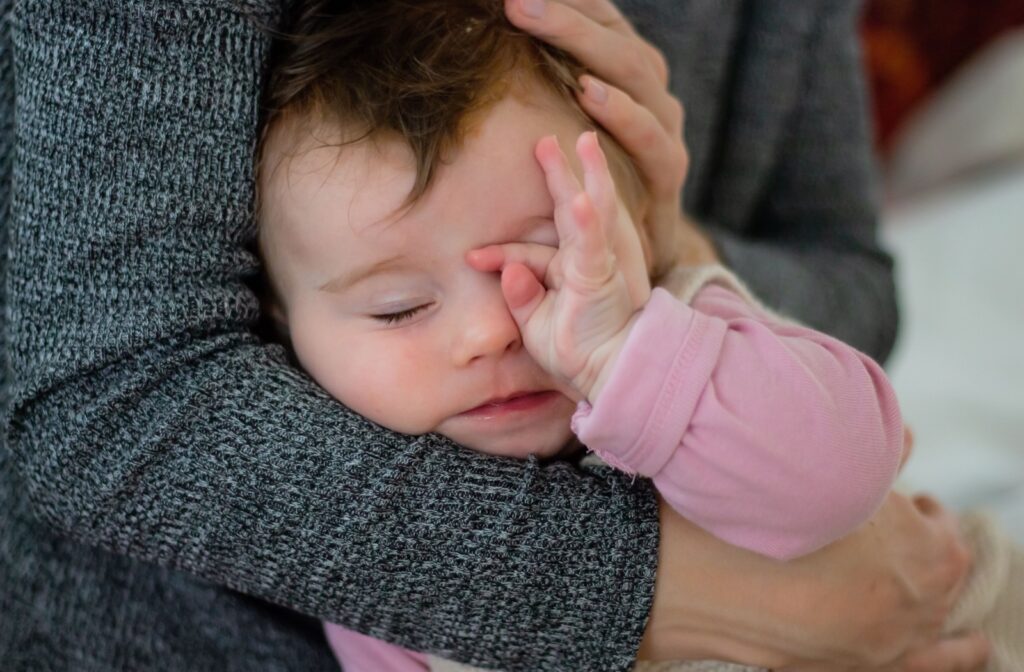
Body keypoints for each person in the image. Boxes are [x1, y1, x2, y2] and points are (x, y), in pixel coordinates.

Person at [0, 0, 990, 670]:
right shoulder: (338, 543)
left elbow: (848, 340)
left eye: (538, 256)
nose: (493, 329)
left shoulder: (668, 326)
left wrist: (653, 285)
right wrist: (739, 606)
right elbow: (115, 398)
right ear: (272, 319)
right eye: (398, 309)